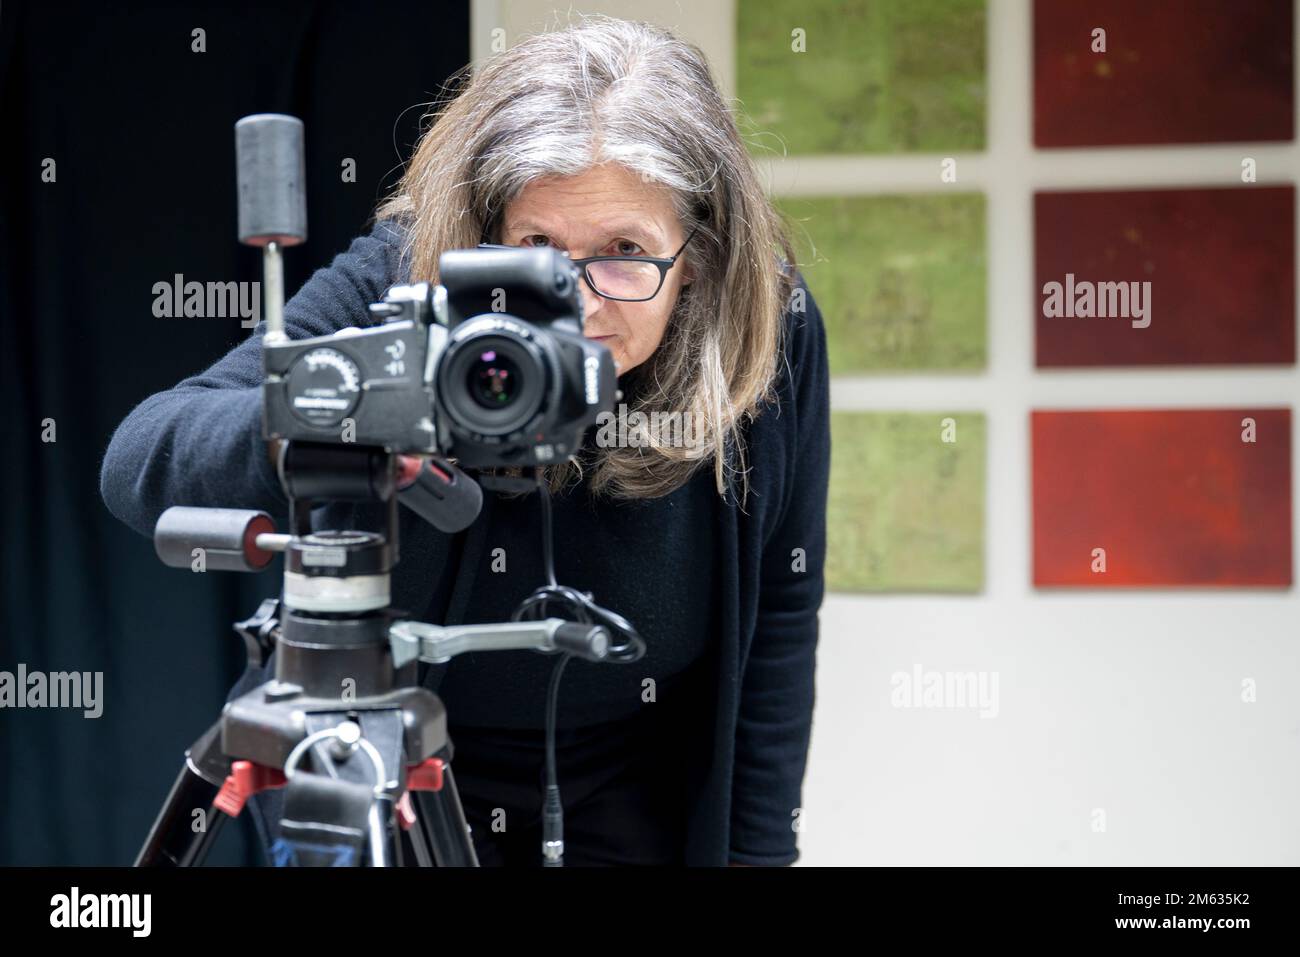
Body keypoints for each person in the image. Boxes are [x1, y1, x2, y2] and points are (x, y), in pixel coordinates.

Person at [100, 15, 830, 867]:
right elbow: (137, 460)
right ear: (484, 235)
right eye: (539, 249)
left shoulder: (763, 325)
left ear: (697, 259)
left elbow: (781, 610)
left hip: (633, 793)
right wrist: (342, 408)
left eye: (625, 252)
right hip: (385, 776)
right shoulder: (407, 279)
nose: (579, 304)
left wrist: (757, 858)